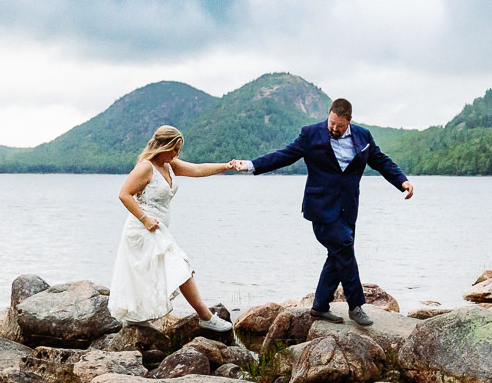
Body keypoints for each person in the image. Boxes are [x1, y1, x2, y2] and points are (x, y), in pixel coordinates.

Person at [234, 96, 413, 326]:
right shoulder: (311, 134)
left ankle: (319, 306)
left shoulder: (363, 136)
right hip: (320, 208)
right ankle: (356, 305)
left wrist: (402, 181)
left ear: (349, 121)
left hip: (348, 208)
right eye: (331, 124)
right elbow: (284, 156)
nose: (334, 129)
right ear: (328, 115)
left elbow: (380, 160)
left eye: (339, 126)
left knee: (338, 255)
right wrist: (250, 165)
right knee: (345, 248)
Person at [110, 125, 239, 331]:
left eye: (179, 149)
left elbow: (198, 169)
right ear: (163, 146)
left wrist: (226, 166)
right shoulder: (146, 167)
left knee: (147, 273)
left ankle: (135, 317)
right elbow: (124, 194)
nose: (177, 153)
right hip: (143, 228)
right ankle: (206, 316)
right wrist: (145, 219)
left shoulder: (169, 165)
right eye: (175, 149)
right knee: (179, 266)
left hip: (159, 228)